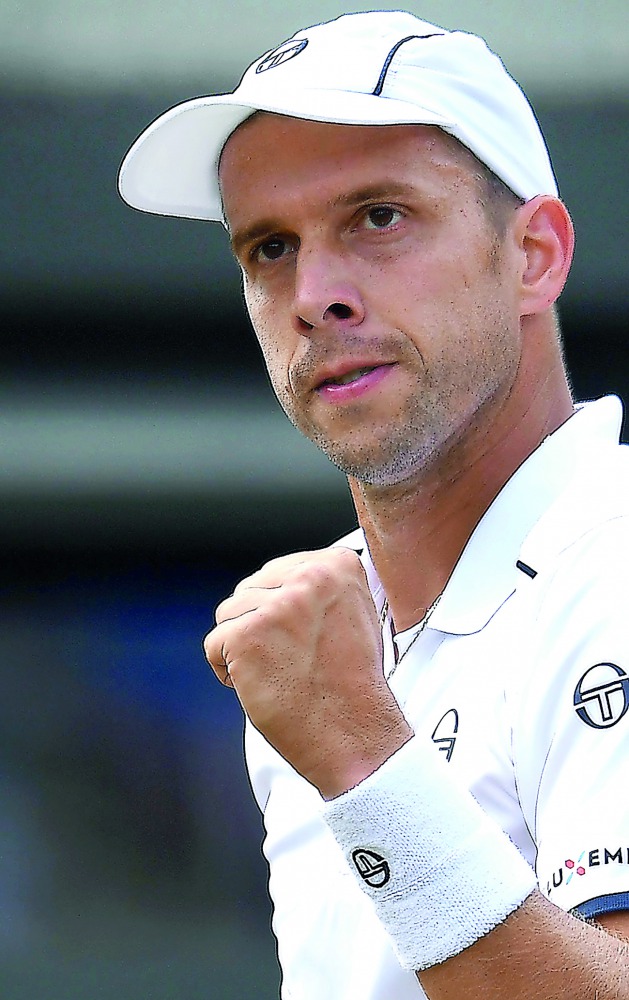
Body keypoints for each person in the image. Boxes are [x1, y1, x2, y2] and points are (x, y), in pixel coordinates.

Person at [118, 10, 629, 998]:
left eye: (377, 217)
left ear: (532, 254)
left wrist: (359, 756)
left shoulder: (610, 563)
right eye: (267, 246)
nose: (313, 293)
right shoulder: (321, 640)